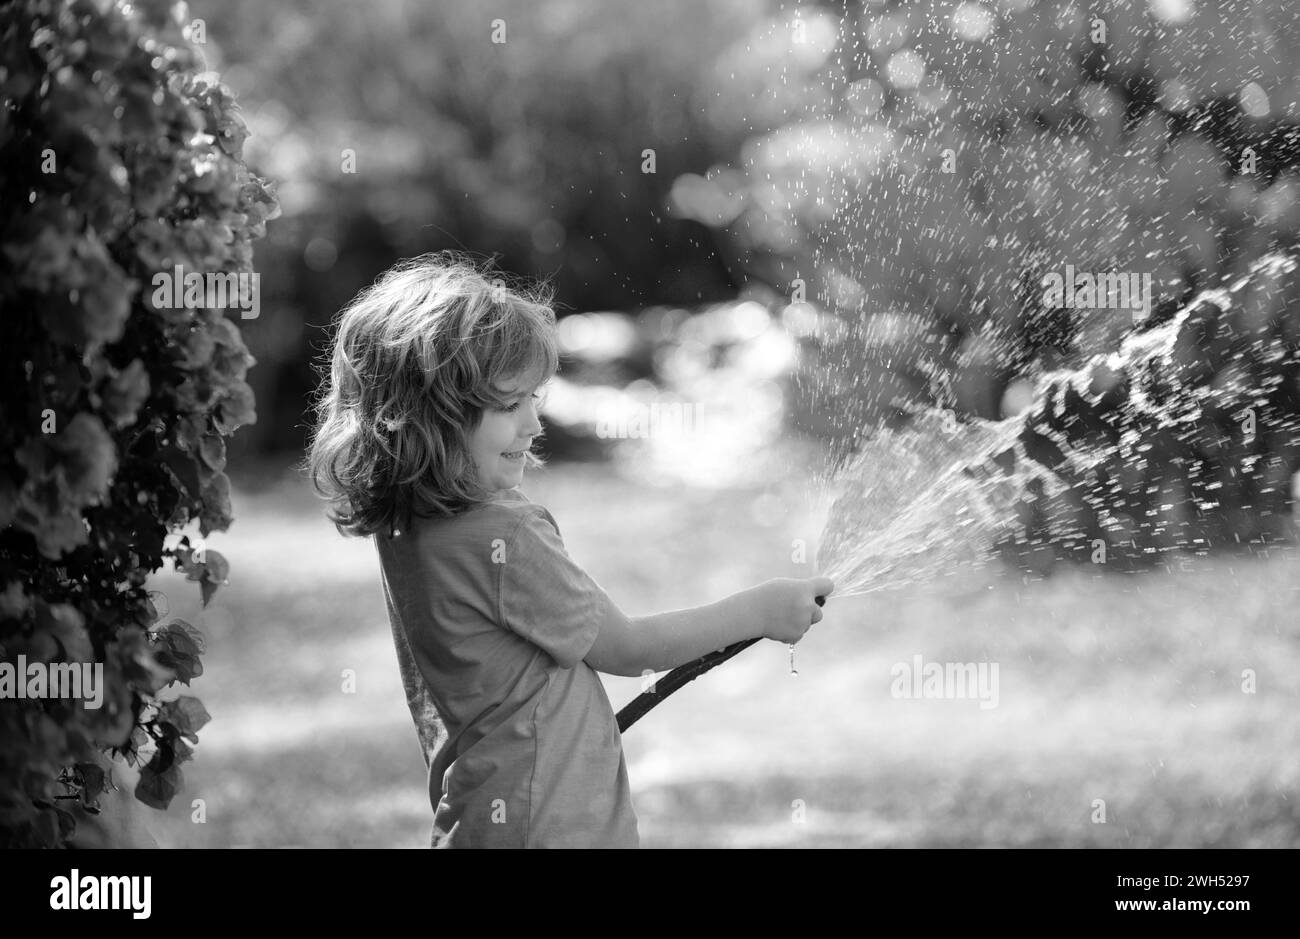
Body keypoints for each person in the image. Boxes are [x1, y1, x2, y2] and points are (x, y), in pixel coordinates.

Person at [305, 251, 832, 848]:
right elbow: (629, 648)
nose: (534, 424)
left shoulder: (409, 528)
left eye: (535, 397)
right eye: (508, 405)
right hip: (551, 821)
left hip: (486, 813)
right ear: (431, 419)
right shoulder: (503, 533)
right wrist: (759, 611)